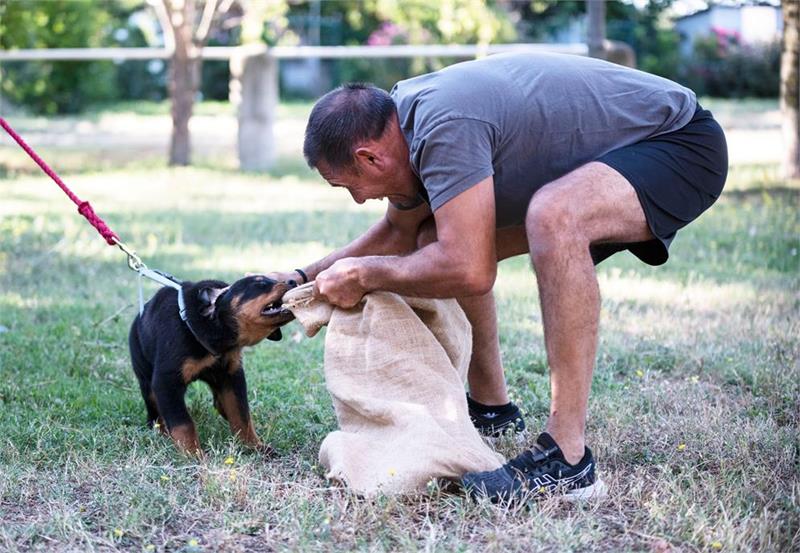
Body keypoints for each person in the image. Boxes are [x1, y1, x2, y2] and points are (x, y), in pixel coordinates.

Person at [267, 52, 727, 501]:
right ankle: (492, 408)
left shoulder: (443, 127)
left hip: (680, 143)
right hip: (624, 151)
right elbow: (398, 232)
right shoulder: (403, 130)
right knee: (438, 237)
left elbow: (468, 269)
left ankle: (569, 460)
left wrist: (366, 275)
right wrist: (299, 280)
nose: (357, 200)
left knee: (555, 215)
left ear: (370, 159)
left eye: (348, 186)